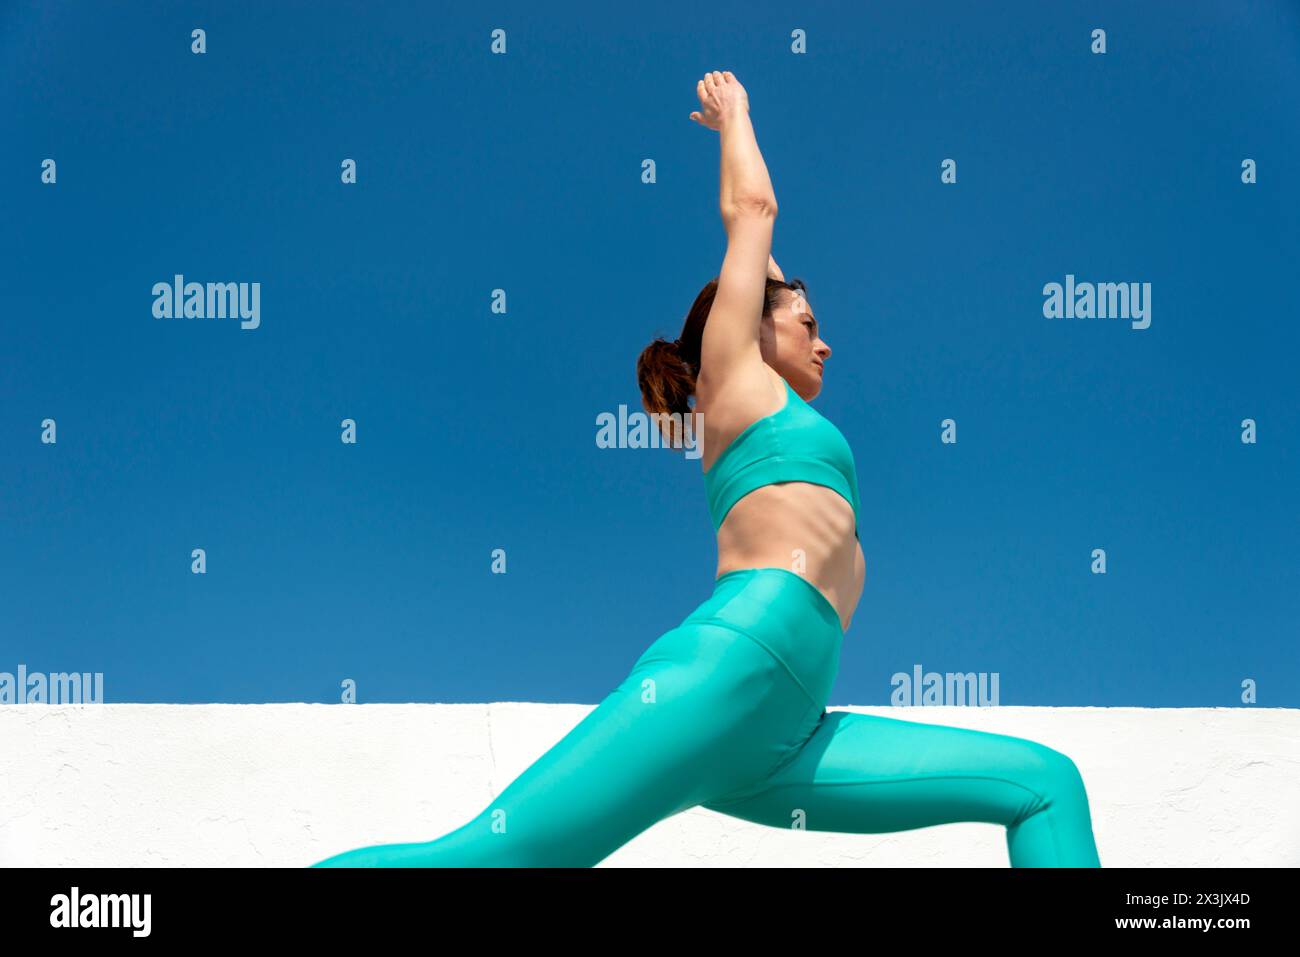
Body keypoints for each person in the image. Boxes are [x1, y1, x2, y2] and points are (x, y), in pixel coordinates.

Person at [310, 70, 1101, 868]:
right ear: (749, 328)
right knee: (480, 860)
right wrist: (737, 118)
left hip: (784, 732)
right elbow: (752, 217)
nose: (825, 342)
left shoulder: (774, 396)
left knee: (1042, 782)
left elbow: (768, 261)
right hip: (721, 676)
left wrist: (777, 275)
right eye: (807, 322)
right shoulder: (737, 381)